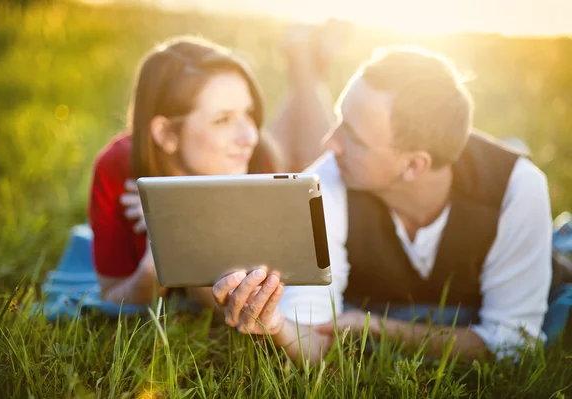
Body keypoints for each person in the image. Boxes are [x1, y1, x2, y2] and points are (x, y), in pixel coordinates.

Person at [212, 45, 555, 361]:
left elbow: (513, 346)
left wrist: (376, 326)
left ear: (413, 165)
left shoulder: (517, 189)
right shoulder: (322, 184)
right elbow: (315, 336)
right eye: (339, 120)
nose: (330, 143)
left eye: (355, 138)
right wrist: (276, 325)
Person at [90, 36, 280, 306]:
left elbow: (241, 310)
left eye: (248, 113)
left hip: (284, 153)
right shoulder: (117, 169)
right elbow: (112, 297)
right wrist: (158, 257)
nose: (249, 135)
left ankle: (304, 71)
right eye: (222, 120)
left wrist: (189, 230)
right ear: (167, 133)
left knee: (300, 145)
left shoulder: (257, 158)